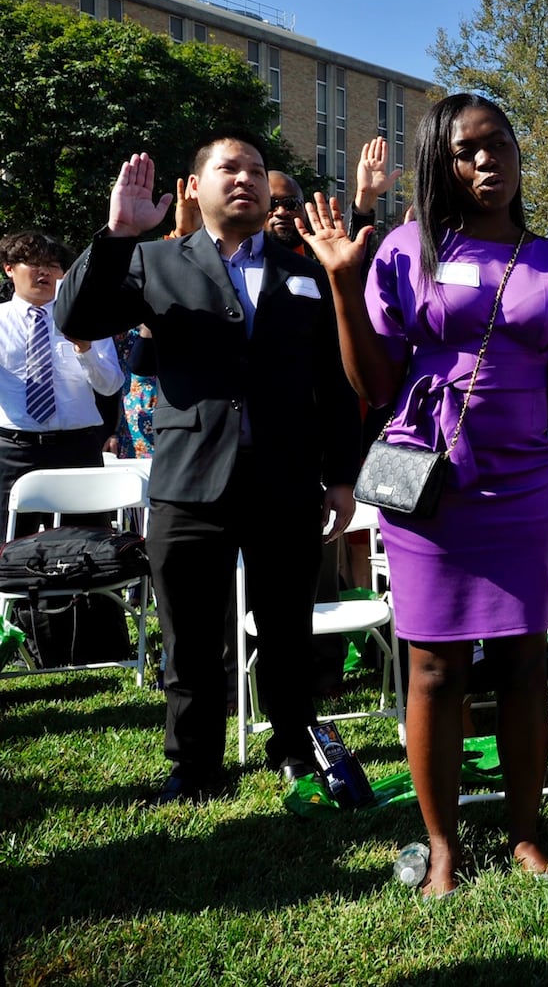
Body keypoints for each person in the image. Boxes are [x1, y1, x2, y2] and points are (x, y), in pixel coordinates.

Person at [299, 93, 548, 894]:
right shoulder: (402, 249)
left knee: (525, 664)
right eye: (468, 151)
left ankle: (525, 831)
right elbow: (374, 383)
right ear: (441, 162)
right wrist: (343, 285)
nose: (488, 161)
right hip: (429, 487)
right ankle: (442, 845)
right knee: (432, 669)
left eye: (499, 145)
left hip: (525, 489)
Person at [53, 131, 361, 802]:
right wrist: (117, 234)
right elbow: (75, 313)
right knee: (189, 637)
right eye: (229, 168)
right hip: (190, 479)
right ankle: (194, 766)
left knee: (287, 631)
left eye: (255, 168)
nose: (245, 178)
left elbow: (333, 382)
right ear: (196, 188)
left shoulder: (304, 270)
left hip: (284, 480)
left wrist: (340, 474)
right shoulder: (155, 263)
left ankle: (292, 748)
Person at [0, 231, 123, 535]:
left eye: (53, 265)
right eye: (34, 262)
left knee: (88, 551)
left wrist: (85, 348)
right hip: (13, 450)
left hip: (78, 449)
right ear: (9, 268)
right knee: (8, 549)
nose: (44, 271)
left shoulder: (86, 319)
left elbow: (110, 385)